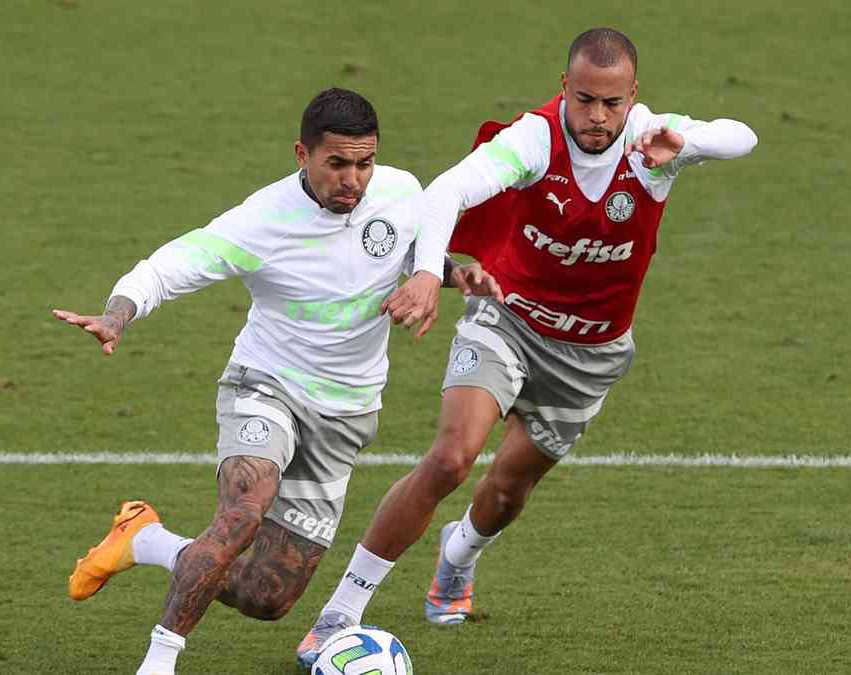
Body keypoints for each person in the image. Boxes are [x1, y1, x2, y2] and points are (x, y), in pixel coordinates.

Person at [297, 28, 758, 665]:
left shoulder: (654, 140)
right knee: (452, 458)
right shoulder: (532, 141)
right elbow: (448, 192)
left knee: (508, 493)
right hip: (508, 320)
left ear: (633, 98)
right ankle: (338, 615)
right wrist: (431, 271)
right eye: (585, 100)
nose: (598, 118)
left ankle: (457, 558)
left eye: (613, 103)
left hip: (590, 354)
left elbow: (744, 136)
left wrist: (689, 141)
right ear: (564, 87)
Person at [52, 87, 500, 675]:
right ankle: (159, 661)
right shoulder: (262, 220)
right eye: (337, 163)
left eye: (364, 163)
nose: (353, 180)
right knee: (244, 510)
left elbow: (409, 260)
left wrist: (453, 275)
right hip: (266, 385)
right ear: (302, 154)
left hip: (345, 411)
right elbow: (170, 265)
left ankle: (145, 539)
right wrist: (116, 314)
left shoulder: (401, 192)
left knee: (267, 596)